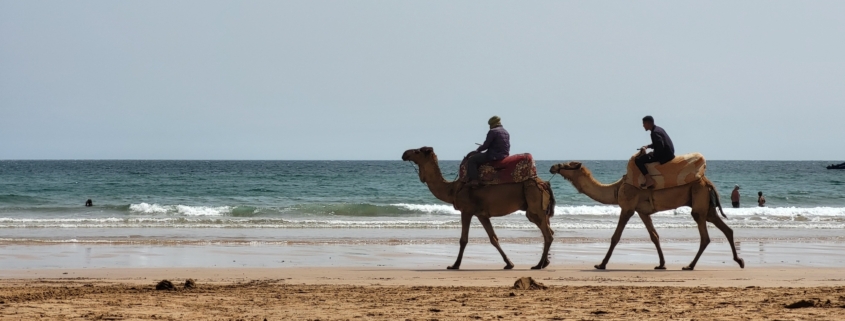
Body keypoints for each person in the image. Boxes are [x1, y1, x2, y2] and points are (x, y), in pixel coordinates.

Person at [467, 116, 510, 186]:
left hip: (494, 155)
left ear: (492, 124)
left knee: (472, 160)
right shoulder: (506, 132)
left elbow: (485, 145)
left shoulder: (493, 131)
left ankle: (474, 181)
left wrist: (477, 150)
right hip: (504, 154)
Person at [634, 115, 675, 188]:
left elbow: (660, 146)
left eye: (643, 124)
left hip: (665, 156)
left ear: (647, 123)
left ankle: (649, 180)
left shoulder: (654, 133)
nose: (643, 126)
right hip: (669, 153)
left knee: (638, 160)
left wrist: (653, 154)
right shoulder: (658, 129)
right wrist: (647, 146)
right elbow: (658, 143)